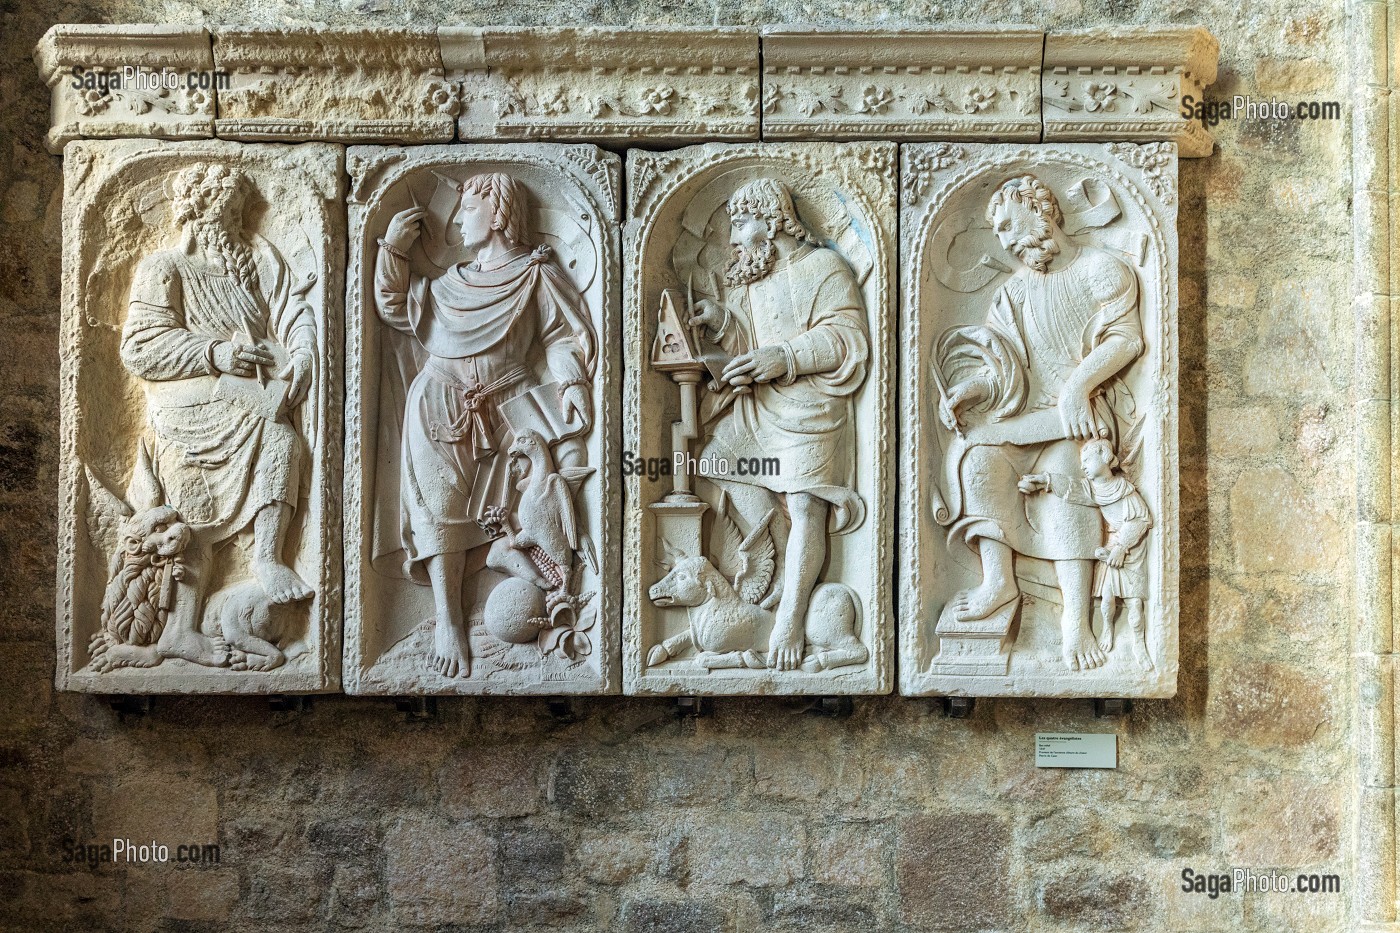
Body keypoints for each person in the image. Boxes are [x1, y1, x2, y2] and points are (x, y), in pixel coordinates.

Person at [373, 172, 596, 678]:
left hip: (507, 408)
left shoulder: (535, 274)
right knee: (440, 508)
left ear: (498, 214)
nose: (455, 220)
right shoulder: (452, 284)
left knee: (516, 512)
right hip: (435, 402)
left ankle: (540, 602)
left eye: (467, 210)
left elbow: (561, 336)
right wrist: (393, 250)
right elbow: (393, 308)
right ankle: (448, 620)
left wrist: (573, 386)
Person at [937, 174, 1143, 671]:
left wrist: (1078, 384)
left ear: (1040, 208)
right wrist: (971, 391)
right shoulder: (1013, 293)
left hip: (1080, 420)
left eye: (1009, 225)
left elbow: (1126, 340)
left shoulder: (1101, 269)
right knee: (978, 460)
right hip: (1025, 417)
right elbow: (1002, 368)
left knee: (1063, 477)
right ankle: (997, 579)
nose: (1006, 241)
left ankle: (1076, 618)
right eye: (999, 234)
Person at [121, 163, 315, 665]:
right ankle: (180, 630)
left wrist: (298, 357)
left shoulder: (251, 265)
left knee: (284, 439)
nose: (231, 222)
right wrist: (215, 353)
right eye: (222, 211)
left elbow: (293, 311)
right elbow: (140, 347)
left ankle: (268, 557)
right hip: (187, 402)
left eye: (236, 212)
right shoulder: (165, 267)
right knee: (189, 512)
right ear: (194, 211)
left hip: (246, 398)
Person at [688, 178, 869, 671]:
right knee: (714, 461)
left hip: (811, 407)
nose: (733, 238)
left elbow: (845, 338)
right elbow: (757, 336)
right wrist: (725, 324)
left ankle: (790, 617)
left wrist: (784, 357)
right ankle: (780, 564)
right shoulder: (759, 280)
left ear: (771, 223)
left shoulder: (825, 267)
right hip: (762, 407)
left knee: (807, 504)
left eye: (741, 224)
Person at [1019, 439, 1154, 672]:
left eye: (1088, 460)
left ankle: (1140, 645)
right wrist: (1046, 480)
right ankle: (1107, 630)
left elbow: (1141, 519)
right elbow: (1077, 489)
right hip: (1111, 549)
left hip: (1129, 550)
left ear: (1104, 456)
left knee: (1134, 604)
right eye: (1081, 462)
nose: (1083, 466)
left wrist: (1121, 547)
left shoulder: (1124, 489)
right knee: (1108, 599)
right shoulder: (1095, 489)